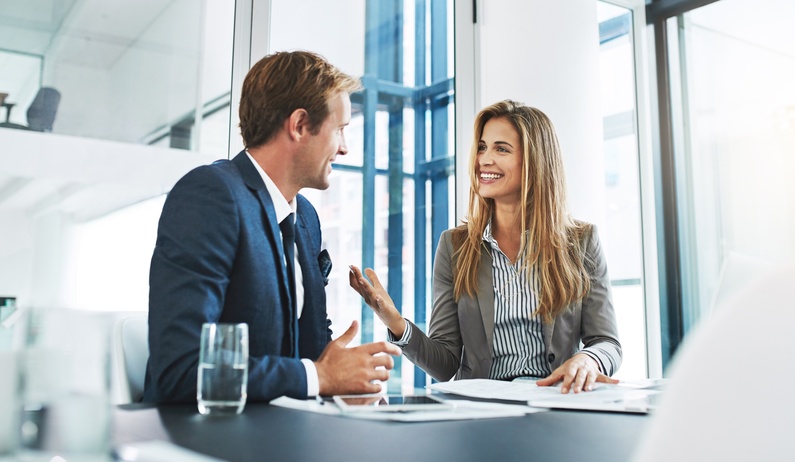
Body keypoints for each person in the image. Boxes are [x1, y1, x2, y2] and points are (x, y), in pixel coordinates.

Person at [144, 51, 401, 404]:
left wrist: (342, 384)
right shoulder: (211, 196)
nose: (344, 148)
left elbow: (310, 351)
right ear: (298, 125)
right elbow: (182, 368)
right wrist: (320, 377)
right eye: (340, 129)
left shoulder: (306, 217)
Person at [350, 100, 621, 394]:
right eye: (482, 147)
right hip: (483, 406)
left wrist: (588, 358)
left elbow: (607, 342)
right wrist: (396, 322)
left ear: (535, 161)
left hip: (557, 400)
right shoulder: (455, 247)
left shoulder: (581, 242)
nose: (484, 160)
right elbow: (445, 365)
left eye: (501, 149)